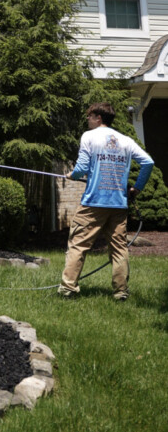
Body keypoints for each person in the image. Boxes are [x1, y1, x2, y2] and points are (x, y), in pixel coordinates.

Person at [58, 102, 153, 300]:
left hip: (93, 203)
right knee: (119, 249)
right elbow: (148, 162)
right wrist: (138, 188)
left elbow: (82, 167)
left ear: (98, 118)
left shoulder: (89, 136)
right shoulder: (125, 140)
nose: (87, 119)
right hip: (118, 204)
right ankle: (121, 292)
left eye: (89, 116)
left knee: (78, 244)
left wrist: (72, 175)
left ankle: (68, 289)